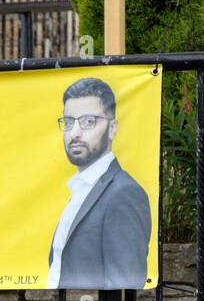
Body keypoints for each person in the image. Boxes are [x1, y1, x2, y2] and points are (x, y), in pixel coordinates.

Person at [46, 77, 152, 289]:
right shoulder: (81, 189)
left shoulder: (124, 193)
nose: (74, 133)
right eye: (68, 122)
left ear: (112, 128)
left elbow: (126, 286)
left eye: (88, 122)